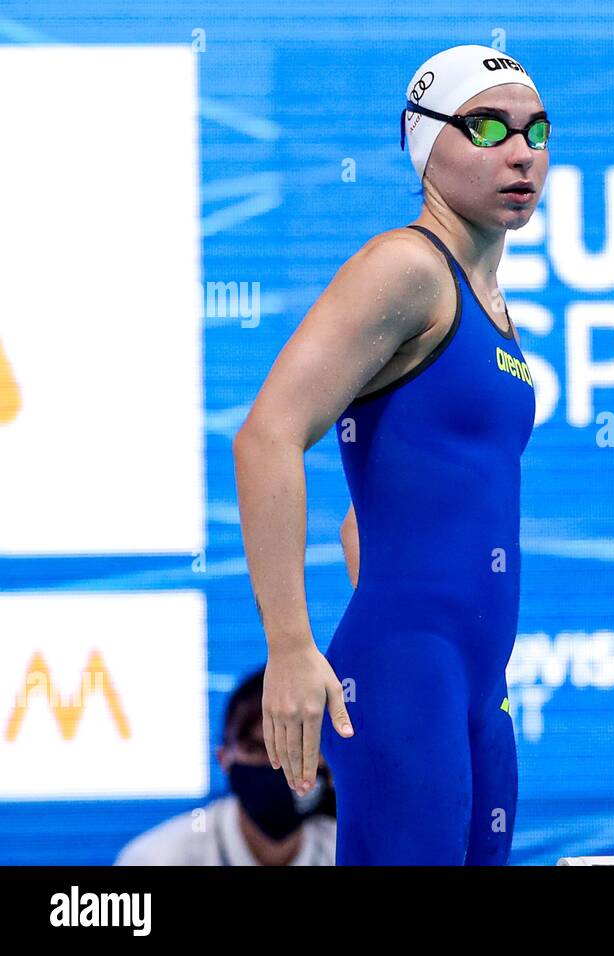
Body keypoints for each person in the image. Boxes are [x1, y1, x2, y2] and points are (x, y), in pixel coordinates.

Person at [232, 44, 545, 864]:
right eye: (487, 128)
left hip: (475, 684)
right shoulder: (405, 268)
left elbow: (367, 515)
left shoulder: (490, 303)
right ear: (424, 145)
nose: (521, 152)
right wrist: (292, 648)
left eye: (536, 131)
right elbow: (267, 436)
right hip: (410, 674)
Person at [115, 668, 336, 866]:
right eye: (257, 749)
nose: (276, 764)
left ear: (328, 761)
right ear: (223, 758)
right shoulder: (156, 860)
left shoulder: (352, 854)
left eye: (294, 748)